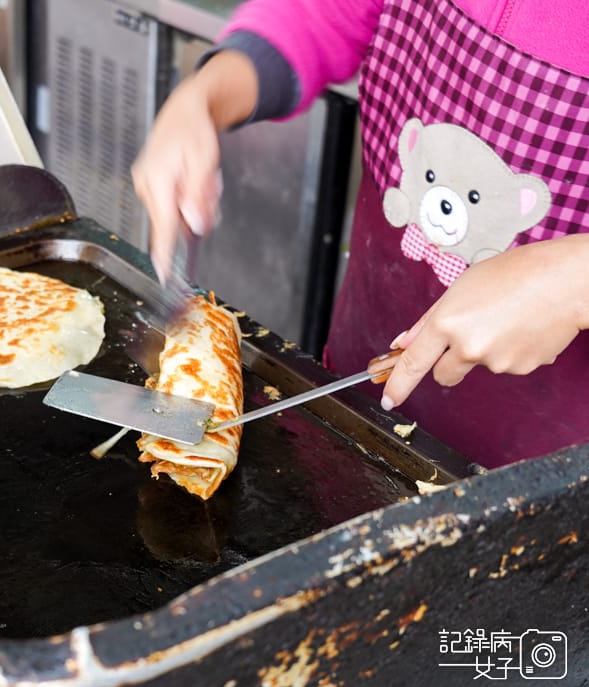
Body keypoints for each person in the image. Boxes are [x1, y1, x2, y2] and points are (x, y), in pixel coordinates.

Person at [131, 0, 589, 469]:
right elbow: (315, 15)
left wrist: (575, 280)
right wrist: (204, 96)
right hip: (360, 379)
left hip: (548, 463)